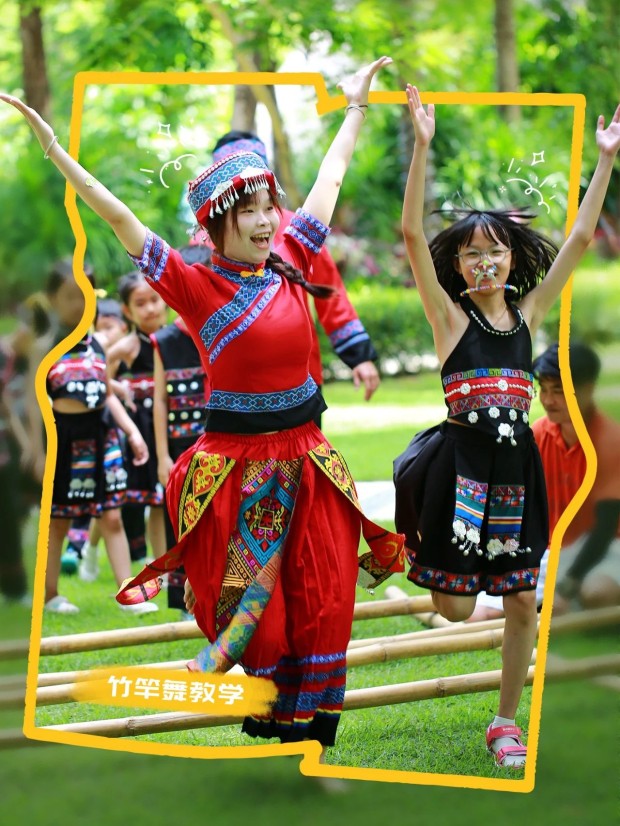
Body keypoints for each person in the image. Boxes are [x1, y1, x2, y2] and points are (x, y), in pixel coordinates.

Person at [1, 57, 404, 750]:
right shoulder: (194, 285)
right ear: (219, 221)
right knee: (261, 622)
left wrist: (357, 108)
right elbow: (117, 214)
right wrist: (55, 150)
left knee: (328, 599)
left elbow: (333, 177)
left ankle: (308, 739)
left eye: (270, 205)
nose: (266, 220)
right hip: (240, 472)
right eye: (250, 210)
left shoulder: (292, 254)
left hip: (310, 461)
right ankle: (265, 701)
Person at [394, 85, 620, 768]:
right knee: (457, 609)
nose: (485, 261)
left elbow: (579, 239)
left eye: (495, 251)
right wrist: (422, 146)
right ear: (458, 268)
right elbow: (411, 235)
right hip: (459, 472)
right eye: (471, 254)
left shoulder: (530, 316)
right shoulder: (448, 319)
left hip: (516, 472)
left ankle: (504, 723)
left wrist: (605, 160)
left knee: (522, 599)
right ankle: (427, 567)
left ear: (512, 261)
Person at [207, 131, 381, 418]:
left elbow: (329, 291)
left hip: (301, 378)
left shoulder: (299, 231)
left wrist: (358, 355)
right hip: (233, 388)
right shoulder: (203, 241)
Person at [30, 259, 155, 614]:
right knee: (58, 520)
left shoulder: (96, 344)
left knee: (112, 517)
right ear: (53, 299)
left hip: (102, 435)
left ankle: (127, 594)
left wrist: (132, 432)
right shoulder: (45, 346)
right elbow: (34, 405)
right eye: (70, 295)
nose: (79, 303)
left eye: (85, 294)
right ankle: (50, 595)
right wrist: (37, 451)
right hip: (63, 441)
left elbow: (106, 393)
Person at [151, 244, 211, 616]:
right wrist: (162, 456)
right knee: (181, 517)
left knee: (216, 517)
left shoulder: (221, 328)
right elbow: (160, 399)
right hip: (178, 446)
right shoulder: (165, 341)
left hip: (218, 442)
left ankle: (216, 593)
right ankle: (184, 599)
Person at [106, 272, 169, 565]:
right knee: (155, 500)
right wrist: (120, 388)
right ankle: (162, 565)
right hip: (144, 428)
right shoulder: (126, 347)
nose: (150, 309)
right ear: (128, 311)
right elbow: (99, 377)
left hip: (174, 424)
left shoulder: (176, 339)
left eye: (154, 300)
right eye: (140, 304)